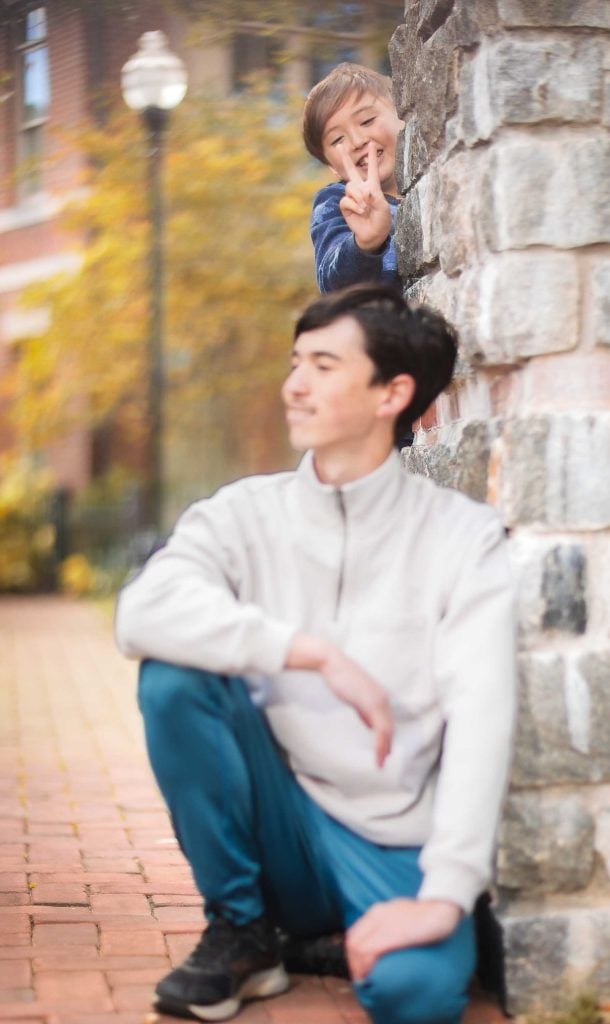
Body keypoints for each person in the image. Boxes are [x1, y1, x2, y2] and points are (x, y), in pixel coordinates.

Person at [115, 283, 517, 1024]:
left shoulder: (462, 539)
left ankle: (316, 939)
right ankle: (244, 929)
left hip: (391, 834)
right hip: (281, 824)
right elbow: (141, 612)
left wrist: (445, 894)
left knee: (416, 997)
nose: (292, 385)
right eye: (296, 362)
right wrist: (310, 653)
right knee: (174, 680)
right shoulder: (243, 513)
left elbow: (484, 715)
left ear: (391, 392)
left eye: (323, 366)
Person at [303, 63, 403, 294]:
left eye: (367, 121)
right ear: (331, 165)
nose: (358, 141)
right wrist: (364, 244)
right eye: (338, 139)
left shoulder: (434, 178)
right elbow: (331, 281)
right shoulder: (337, 202)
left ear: (402, 115)